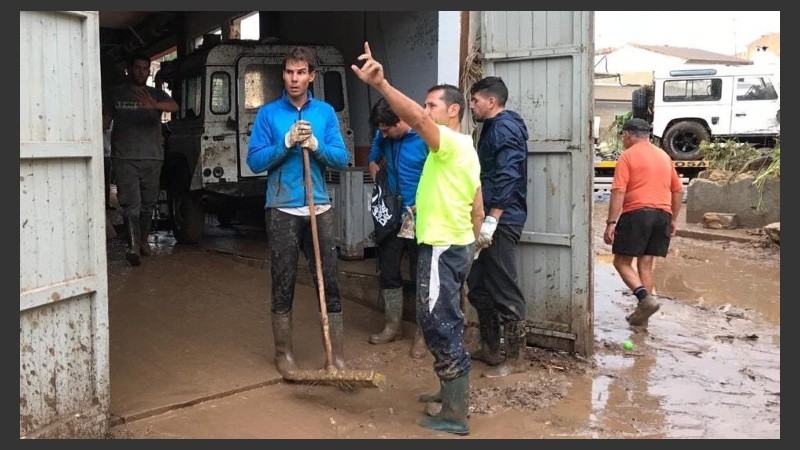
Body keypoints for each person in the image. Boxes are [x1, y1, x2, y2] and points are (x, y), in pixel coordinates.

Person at [352, 41, 483, 436]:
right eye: (424, 106)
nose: (425, 113)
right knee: (443, 317)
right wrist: (473, 242)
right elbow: (477, 202)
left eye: (431, 106)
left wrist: (383, 85)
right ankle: (448, 395)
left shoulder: (448, 145)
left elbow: (419, 123)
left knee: (439, 323)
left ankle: (455, 415)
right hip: (451, 243)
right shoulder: (463, 149)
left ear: (453, 110)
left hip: (442, 245)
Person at [246, 46, 351, 377]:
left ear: (311, 76)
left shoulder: (324, 113)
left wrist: (316, 146)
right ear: (283, 75)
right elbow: (255, 161)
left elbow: (341, 158)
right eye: (289, 72)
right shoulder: (268, 115)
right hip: (282, 208)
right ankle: (284, 353)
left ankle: (335, 355)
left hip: (318, 206)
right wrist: (287, 142)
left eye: (301, 72)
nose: (294, 78)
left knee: (328, 280)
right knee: (284, 279)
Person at [466, 76, 530, 378]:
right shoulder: (490, 127)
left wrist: (492, 218)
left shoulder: (504, 127)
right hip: (486, 218)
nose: (471, 105)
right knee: (479, 284)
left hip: (501, 220)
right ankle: (490, 348)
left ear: (491, 101)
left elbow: (509, 174)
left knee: (503, 285)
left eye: (475, 100)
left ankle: (517, 359)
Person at [603, 118, 683, 327]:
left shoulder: (627, 156)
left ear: (628, 135)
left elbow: (618, 190)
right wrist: (672, 218)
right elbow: (678, 190)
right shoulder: (665, 156)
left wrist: (611, 222)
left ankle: (643, 299)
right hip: (662, 215)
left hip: (637, 213)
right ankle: (643, 317)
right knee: (645, 265)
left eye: (623, 137)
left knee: (621, 262)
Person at [366, 97, 430, 360]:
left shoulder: (427, 138)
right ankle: (393, 326)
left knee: (421, 276)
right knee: (389, 270)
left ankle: (422, 335)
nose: (382, 135)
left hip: (422, 217)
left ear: (402, 120)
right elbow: (372, 160)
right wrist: (382, 188)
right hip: (391, 218)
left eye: (386, 130)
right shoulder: (384, 137)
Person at [103, 53, 178, 266]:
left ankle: (143, 240)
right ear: (129, 70)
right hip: (125, 157)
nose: (141, 72)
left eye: (145, 68)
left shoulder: (156, 94)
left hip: (153, 157)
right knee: (131, 205)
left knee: (148, 203)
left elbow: (175, 106)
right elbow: (105, 121)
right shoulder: (115, 94)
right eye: (137, 68)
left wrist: (154, 105)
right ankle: (133, 247)